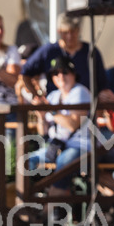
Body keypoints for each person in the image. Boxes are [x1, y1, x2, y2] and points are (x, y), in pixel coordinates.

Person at [25, 57, 91, 194]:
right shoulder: (53, 96)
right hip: (56, 146)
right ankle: (31, 198)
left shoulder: (80, 92)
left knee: (63, 164)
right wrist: (41, 117)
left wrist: (49, 109)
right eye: (55, 73)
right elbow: (43, 132)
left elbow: (72, 124)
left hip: (80, 146)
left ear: (73, 74)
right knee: (26, 161)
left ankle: (48, 209)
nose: (60, 76)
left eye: (65, 71)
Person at [20, 12, 113, 104]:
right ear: (59, 32)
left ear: (78, 30)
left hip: (85, 107)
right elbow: (25, 72)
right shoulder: (49, 51)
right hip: (55, 107)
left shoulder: (91, 52)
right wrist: (37, 96)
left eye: (72, 31)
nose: (69, 36)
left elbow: (102, 83)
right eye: (65, 32)